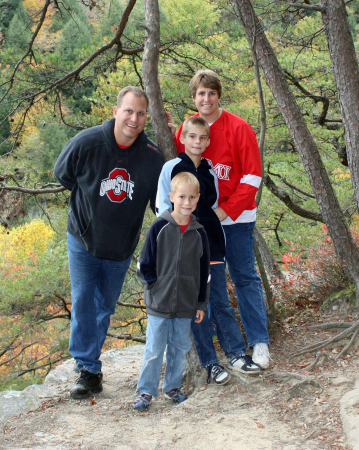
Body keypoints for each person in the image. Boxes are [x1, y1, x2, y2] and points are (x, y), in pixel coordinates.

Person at [54, 86, 164, 399]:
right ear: (116, 111)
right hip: (83, 238)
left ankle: (88, 364)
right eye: (128, 111)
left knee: (103, 306)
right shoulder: (87, 142)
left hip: (120, 247)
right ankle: (88, 368)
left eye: (141, 113)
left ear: (146, 118)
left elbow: (162, 204)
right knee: (84, 299)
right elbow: (63, 175)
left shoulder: (152, 158)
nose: (134, 118)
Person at [170, 69, 270, 370]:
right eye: (201, 93)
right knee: (209, 284)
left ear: (218, 95)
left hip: (236, 217)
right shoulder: (188, 130)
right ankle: (221, 349)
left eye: (211, 92)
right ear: (194, 97)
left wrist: (225, 211)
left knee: (244, 277)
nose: (206, 98)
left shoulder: (239, 128)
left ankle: (259, 342)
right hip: (204, 224)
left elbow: (253, 176)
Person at [157, 116, 260, 385]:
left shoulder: (210, 172)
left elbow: (213, 206)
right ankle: (211, 363)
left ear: (208, 141)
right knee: (196, 307)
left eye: (203, 138)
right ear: (182, 137)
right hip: (185, 249)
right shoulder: (171, 168)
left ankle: (236, 353)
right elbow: (161, 208)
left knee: (221, 301)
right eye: (192, 136)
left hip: (212, 245)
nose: (197, 142)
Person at [134, 172, 210, 411]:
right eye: (181, 197)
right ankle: (145, 391)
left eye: (191, 197)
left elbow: (204, 272)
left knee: (180, 348)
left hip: (186, 305)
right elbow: (143, 264)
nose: (186, 202)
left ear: (197, 199)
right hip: (159, 302)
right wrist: (154, 288)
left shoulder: (200, 233)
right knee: (154, 349)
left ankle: (172, 387)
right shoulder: (159, 227)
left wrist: (200, 304)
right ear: (171, 197)